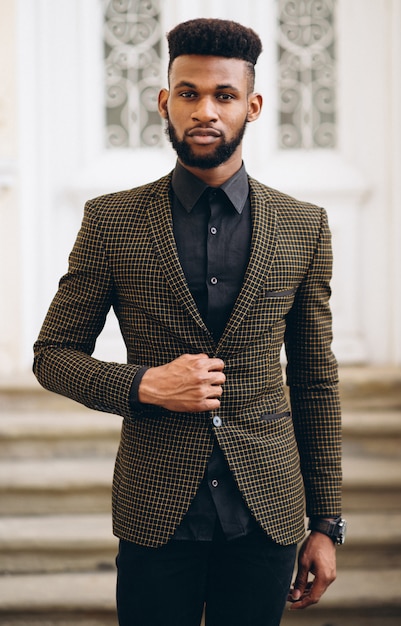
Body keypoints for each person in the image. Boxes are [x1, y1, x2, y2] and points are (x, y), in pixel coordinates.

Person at [33, 18, 344, 626]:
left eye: (224, 95)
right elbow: (53, 354)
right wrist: (143, 385)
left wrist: (328, 521)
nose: (205, 110)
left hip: (268, 512)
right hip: (157, 512)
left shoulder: (302, 226)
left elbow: (314, 379)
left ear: (252, 106)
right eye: (189, 93)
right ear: (164, 102)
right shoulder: (112, 221)